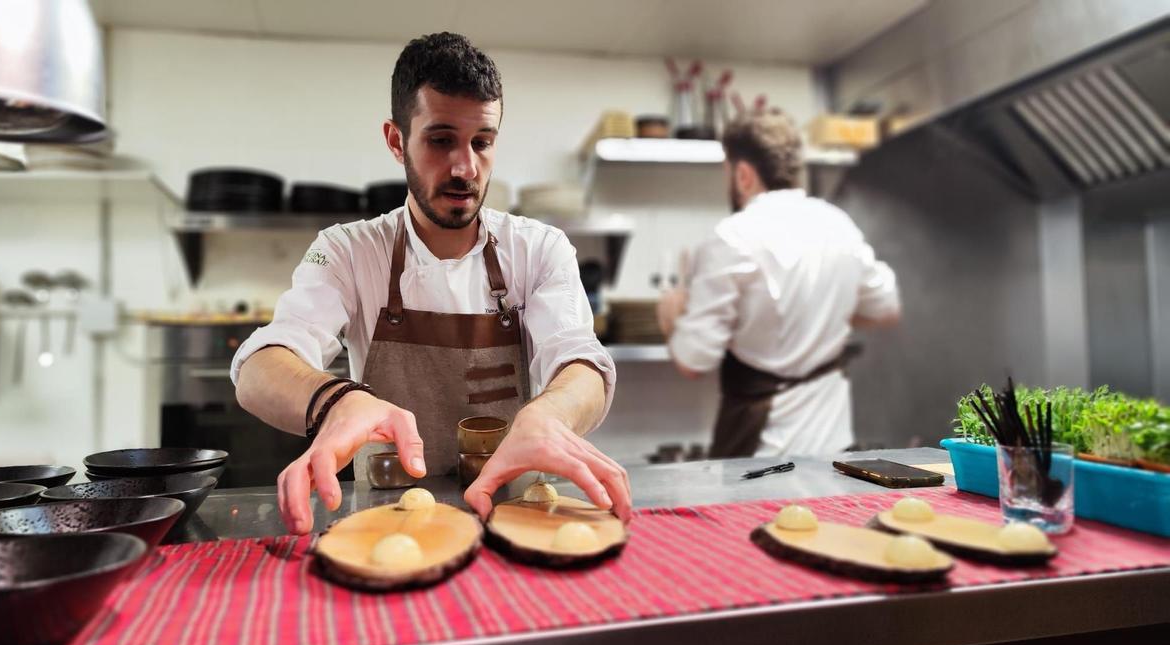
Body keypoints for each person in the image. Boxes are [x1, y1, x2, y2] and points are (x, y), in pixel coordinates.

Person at [232, 32, 630, 534]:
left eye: (482, 142)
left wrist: (551, 413)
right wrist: (338, 400)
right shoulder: (347, 250)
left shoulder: (539, 248)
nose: (466, 167)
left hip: (514, 520)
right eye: (441, 140)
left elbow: (581, 360)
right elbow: (260, 366)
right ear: (397, 141)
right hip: (386, 525)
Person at [657, 109, 900, 459]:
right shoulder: (837, 224)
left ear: (743, 174)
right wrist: (826, 313)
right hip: (832, 446)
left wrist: (671, 314)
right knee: (829, 515)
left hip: (760, 453)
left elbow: (694, 361)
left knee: (759, 517)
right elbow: (885, 307)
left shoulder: (732, 238)